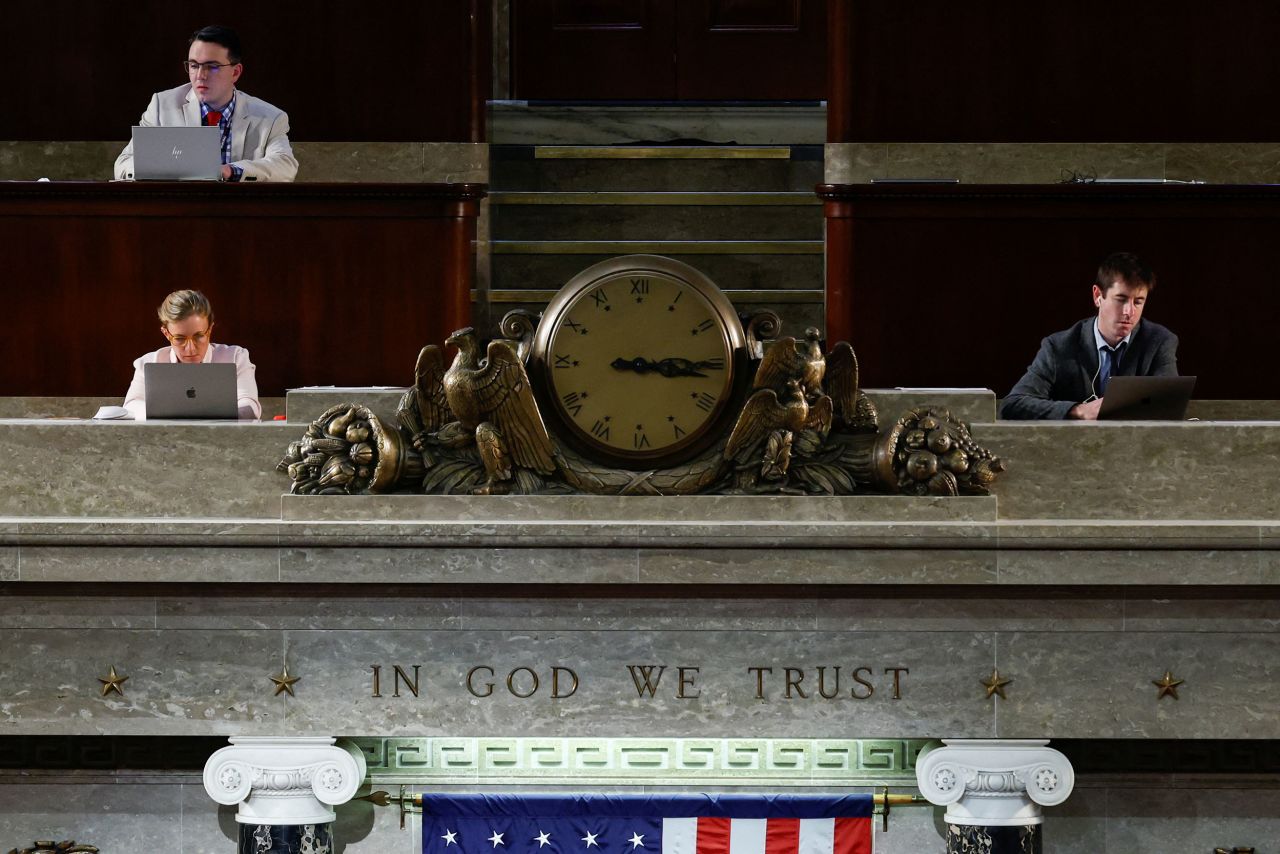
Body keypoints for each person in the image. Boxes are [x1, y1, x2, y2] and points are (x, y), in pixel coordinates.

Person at [1000, 252, 1178, 420]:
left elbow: (1169, 404)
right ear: (1097, 296)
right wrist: (1077, 410)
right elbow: (1013, 404)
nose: (1129, 312)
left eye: (1138, 302)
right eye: (1121, 299)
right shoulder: (1058, 346)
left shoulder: (1160, 341)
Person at [113, 25, 297, 182]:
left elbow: (285, 165)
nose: (200, 75)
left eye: (212, 66)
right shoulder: (162, 106)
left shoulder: (270, 118)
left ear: (235, 72)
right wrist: (167, 169)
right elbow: (124, 164)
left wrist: (230, 171)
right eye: (194, 65)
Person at [123, 290, 260, 420]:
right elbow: (131, 406)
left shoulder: (235, 357)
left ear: (210, 329)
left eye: (199, 336)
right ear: (166, 333)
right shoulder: (149, 362)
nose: (190, 349)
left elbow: (249, 407)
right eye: (180, 338)